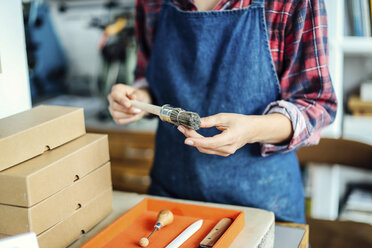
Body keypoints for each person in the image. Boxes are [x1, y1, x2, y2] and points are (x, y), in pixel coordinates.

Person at [108, 0, 337, 224]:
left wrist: (252, 130)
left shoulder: (292, 3)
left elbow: (316, 104)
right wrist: (138, 99)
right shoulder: (150, 4)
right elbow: (150, 80)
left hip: (262, 207)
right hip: (170, 201)